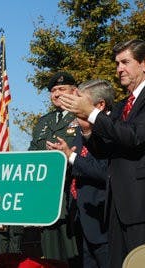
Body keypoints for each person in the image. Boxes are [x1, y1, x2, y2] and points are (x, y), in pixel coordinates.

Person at [60, 39, 145, 267]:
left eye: (125, 62)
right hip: (116, 207)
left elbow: (134, 136)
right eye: (117, 63)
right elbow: (104, 150)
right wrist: (88, 129)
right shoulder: (121, 106)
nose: (119, 68)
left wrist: (91, 113)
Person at [48, 79, 114, 268]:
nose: (75, 108)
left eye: (80, 103)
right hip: (81, 220)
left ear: (99, 105)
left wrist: (71, 157)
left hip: (103, 223)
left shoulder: (113, 129)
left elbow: (104, 172)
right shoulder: (80, 129)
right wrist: (63, 156)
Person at [28, 71, 80, 265]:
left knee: (74, 255)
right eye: (53, 90)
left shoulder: (81, 117)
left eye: (62, 89)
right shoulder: (43, 122)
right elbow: (33, 152)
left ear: (74, 91)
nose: (56, 94)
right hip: (47, 200)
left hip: (71, 196)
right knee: (51, 259)